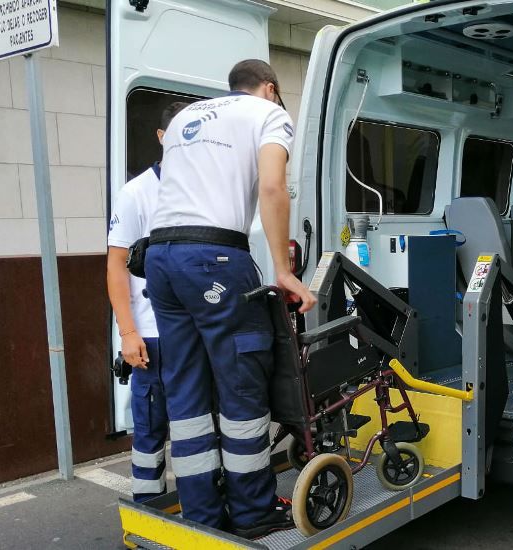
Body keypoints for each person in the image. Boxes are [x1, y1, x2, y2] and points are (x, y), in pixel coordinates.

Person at [145, 59, 316, 538]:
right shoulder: (268, 114)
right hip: (214, 259)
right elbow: (272, 187)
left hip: (161, 259)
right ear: (270, 88)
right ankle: (253, 512)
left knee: (187, 391)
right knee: (241, 383)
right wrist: (283, 271)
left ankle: (201, 513)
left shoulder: (184, 118)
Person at [106, 101, 188, 503]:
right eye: (176, 135)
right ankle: (148, 511)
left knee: (198, 429)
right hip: (152, 336)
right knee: (151, 430)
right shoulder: (136, 193)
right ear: (161, 138)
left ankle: (199, 510)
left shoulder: (203, 191)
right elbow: (116, 265)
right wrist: (127, 332)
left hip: (197, 332)